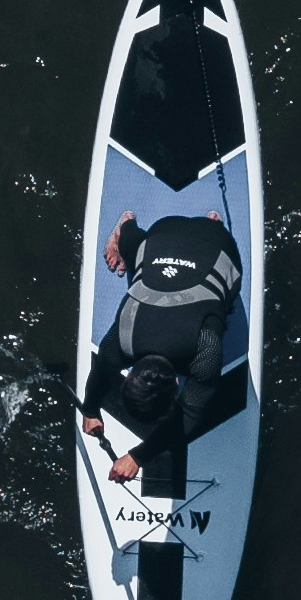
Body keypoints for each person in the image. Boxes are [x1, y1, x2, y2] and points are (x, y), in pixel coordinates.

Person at [81, 205, 243, 482]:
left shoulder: (206, 349)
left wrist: (138, 456)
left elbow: (189, 417)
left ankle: (131, 226)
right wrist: (90, 409)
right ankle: (126, 227)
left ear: (178, 383)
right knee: (143, 269)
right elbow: (103, 368)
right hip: (164, 233)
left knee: (223, 308)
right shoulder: (125, 337)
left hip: (211, 240)